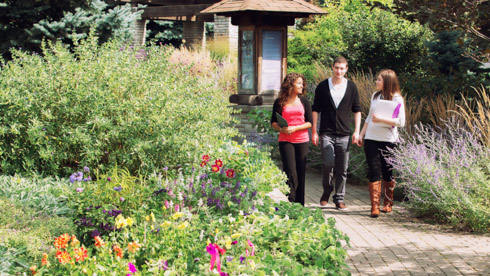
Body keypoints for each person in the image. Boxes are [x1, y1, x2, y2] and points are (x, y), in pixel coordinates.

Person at [312, 56, 361, 210]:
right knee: (327, 164)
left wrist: (357, 131)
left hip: (344, 134)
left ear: (346, 69)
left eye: (342, 68)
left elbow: (357, 110)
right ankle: (327, 190)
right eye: (336, 67)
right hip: (326, 133)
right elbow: (315, 110)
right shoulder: (322, 86)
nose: (339, 71)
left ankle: (339, 198)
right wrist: (314, 130)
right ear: (332, 67)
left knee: (342, 168)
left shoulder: (351, 87)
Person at [356, 69, 405, 217]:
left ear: (387, 81)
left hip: (388, 140)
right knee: (374, 170)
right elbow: (369, 117)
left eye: (379, 79)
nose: (376, 82)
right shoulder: (375, 96)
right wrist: (361, 134)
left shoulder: (397, 99)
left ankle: (388, 203)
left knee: (387, 171)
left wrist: (382, 120)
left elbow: (401, 122)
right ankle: (374, 206)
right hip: (371, 138)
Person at [271, 73, 313, 206]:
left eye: (302, 83)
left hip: (302, 140)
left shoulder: (304, 102)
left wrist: (295, 128)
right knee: (290, 171)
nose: (302, 86)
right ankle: (290, 201)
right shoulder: (279, 102)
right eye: (299, 83)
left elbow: (309, 123)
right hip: (285, 140)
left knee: (301, 171)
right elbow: (273, 122)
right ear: (291, 84)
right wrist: (281, 129)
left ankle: (300, 205)